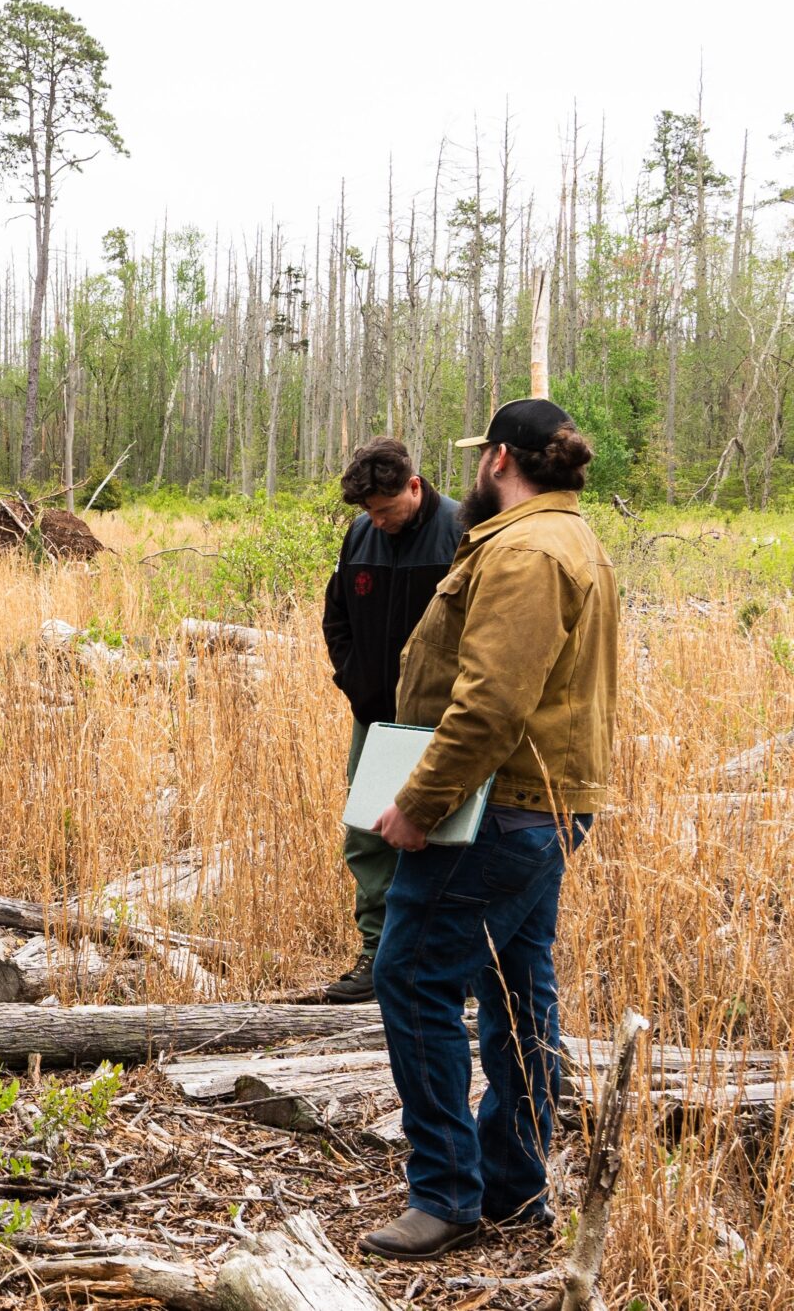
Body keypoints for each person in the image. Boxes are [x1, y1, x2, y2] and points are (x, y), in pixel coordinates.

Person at [359, 400, 615, 1261]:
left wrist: (419, 802)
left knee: (413, 975)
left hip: (499, 810)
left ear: (500, 457)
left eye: (481, 458)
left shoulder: (527, 551)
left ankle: (446, 1193)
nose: (476, 470)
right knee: (515, 986)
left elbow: (493, 704)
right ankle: (511, 1181)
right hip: (542, 803)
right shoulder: (569, 537)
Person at [317, 438, 463, 1002]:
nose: (377, 522)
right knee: (367, 833)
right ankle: (377, 957)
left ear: (415, 487)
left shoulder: (459, 531)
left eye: (385, 509)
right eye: (369, 513)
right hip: (375, 717)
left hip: (442, 722)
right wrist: (356, 679)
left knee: (446, 837)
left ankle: (446, 966)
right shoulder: (361, 536)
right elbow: (337, 617)